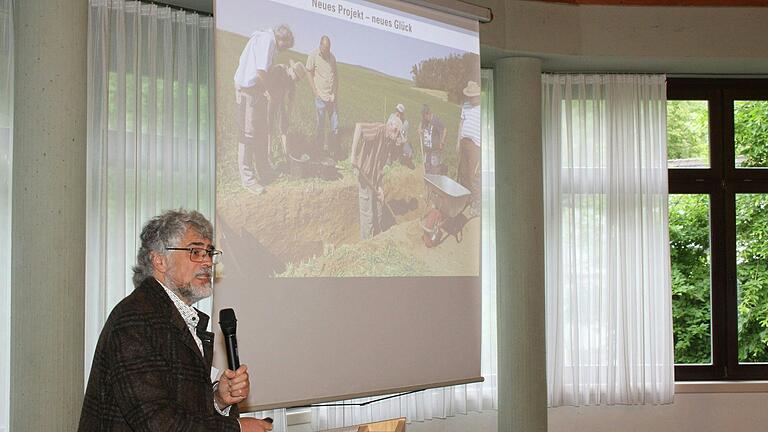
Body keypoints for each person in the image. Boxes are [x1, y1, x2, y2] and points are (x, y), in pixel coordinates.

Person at [78, 210, 273, 432]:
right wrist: (235, 428)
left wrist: (218, 399)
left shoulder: (168, 315)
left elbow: (178, 404)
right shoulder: (135, 320)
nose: (208, 262)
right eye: (195, 252)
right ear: (160, 260)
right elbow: (156, 422)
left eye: (209, 252)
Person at [234, 24, 295, 195]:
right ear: (282, 39)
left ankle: (265, 171)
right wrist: (270, 91)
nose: (285, 49)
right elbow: (261, 71)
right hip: (247, 91)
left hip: (256, 91)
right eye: (286, 45)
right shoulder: (267, 40)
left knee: (260, 133)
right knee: (247, 136)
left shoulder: (266, 40)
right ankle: (247, 179)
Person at [350, 119, 401, 239]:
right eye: (396, 133)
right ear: (391, 127)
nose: (397, 137)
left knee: (379, 209)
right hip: (365, 174)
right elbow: (359, 125)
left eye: (398, 134)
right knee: (367, 215)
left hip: (374, 179)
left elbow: (380, 166)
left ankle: (378, 239)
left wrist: (379, 188)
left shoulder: (389, 142)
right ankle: (366, 244)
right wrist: (353, 154)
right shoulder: (379, 129)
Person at [266, 60, 306, 162]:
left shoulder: (292, 82)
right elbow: (267, 83)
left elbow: (291, 101)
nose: (296, 80)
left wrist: (288, 116)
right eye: (297, 77)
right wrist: (269, 96)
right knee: (268, 126)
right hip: (269, 99)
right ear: (293, 71)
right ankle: (268, 153)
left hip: (280, 102)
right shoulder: (279, 70)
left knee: (284, 128)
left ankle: (285, 154)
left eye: (298, 79)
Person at [305, 35, 339, 158]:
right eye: (325, 49)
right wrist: (315, 91)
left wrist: (334, 93)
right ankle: (319, 151)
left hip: (331, 99)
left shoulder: (332, 58)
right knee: (320, 126)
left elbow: (336, 76)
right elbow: (308, 71)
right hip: (320, 97)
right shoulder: (313, 55)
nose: (326, 52)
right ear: (320, 46)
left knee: (335, 126)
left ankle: (332, 151)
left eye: (328, 49)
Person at [457, 80, 481, 214]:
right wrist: (458, 141)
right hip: (464, 142)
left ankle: (476, 202)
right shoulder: (465, 105)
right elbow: (461, 124)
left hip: (476, 145)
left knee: (473, 175)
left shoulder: (482, 108)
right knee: (463, 173)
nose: (470, 99)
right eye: (469, 97)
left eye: (473, 97)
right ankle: (465, 199)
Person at [418, 104, 446, 174]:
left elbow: (444, 129)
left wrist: (442, 142)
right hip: (427, 150)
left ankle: (433, 182)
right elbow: (421, 123)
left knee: (434, 169)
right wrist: (419, 129)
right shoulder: (425, 120)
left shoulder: (435, 120)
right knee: (426, 167)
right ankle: (427, 181)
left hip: (435, 150)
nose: (423, 118)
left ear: (428, 114)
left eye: (424, 116)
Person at [385, 103, 413, 168]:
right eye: (397, 111)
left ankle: (399, 161)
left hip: (399, 142)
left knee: (409, 152)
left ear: (402, 114)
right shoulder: (392, 116)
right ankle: (388, 160)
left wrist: (401, 140)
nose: (397, 113)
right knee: (391, 142)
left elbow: (405, 138)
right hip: (390, 138)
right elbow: (387, 126)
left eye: (399, 112)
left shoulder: (405, 123)